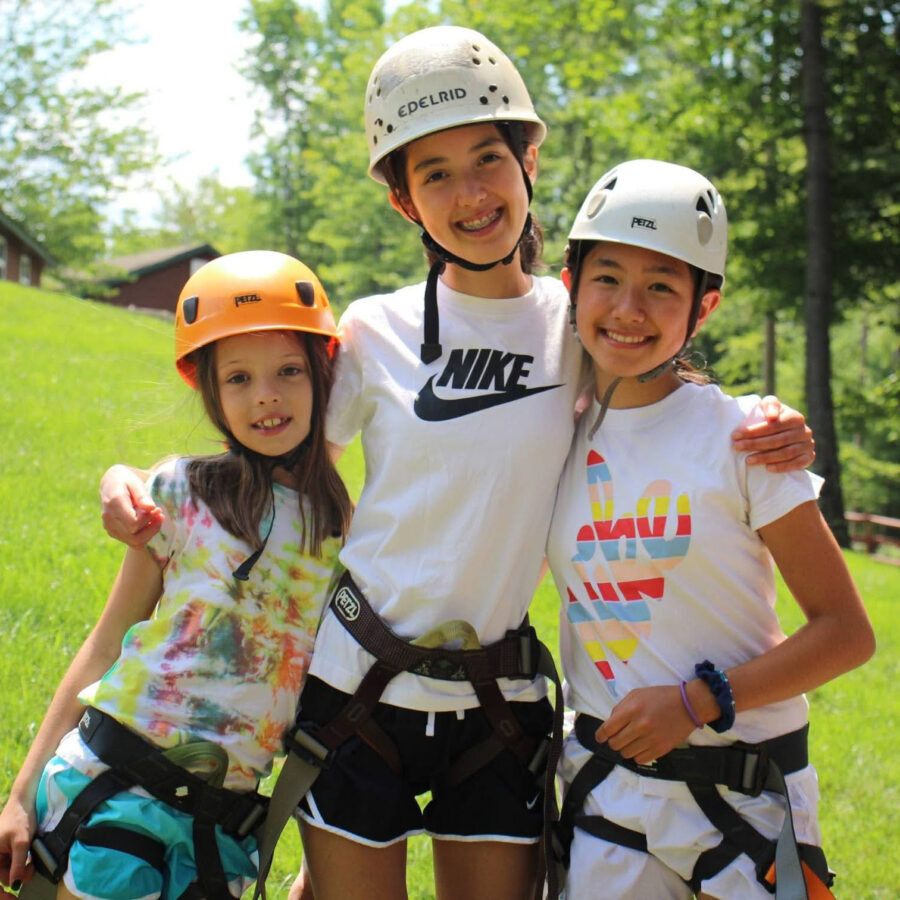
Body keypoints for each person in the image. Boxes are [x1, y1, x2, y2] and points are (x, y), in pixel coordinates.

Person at [96, 28, 816, 900]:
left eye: (487, 159)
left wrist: (764, 418)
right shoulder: (373, 331)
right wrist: (142, 482)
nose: (470, 194)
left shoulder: (575, 321)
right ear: (404, 202)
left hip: (497, 701)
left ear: (530, 164)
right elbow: (270, 452)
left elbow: (654, 367)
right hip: (357, 684)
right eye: (434, 174)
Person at [546, 159, 875, 899]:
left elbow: (846, 633)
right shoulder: (549, 438)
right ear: (570, 284)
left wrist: (697, 702)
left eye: (662, 285)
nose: (629, 307)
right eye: (608, 276)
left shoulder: (748, 439)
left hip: (747, 798)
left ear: (705, 306)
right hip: (610, 801)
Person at [0, 251, 352, 900]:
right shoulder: (180, 492)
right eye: (239, 378)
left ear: (325, 372)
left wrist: (316, 868)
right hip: (111, 788)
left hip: (219, 832)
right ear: (209, 389)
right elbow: (106, 644)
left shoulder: (345, 539)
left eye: (289, 371)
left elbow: (330, 714)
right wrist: (20, 797)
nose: (266, 394)